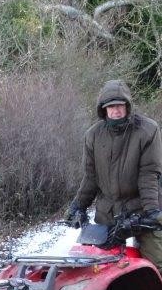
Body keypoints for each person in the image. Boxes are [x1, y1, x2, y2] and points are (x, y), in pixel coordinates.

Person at [66, 79, 162, 268]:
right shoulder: (93, 135)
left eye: (119, 105)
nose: (115, 110)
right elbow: (91, 177)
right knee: (94, 265)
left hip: (142, 208)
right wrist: (78, 206)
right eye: (110, 106)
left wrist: (151, 212)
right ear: (103, 109)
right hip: (109, 210)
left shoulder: (147, 130)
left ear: (127, 106)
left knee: (157, 262)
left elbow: (149, 174)